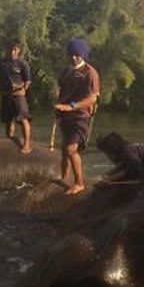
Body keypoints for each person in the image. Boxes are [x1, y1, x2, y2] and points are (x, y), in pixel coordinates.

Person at [55, 38, 100, 194]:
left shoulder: (90, 73)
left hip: (81, 117)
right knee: (63, 150)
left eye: (77, 55)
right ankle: (64, 177)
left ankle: (79, 183)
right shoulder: (67, 71)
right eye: (71, 55)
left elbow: (93, 98)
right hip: (65, 116)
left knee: (71, 149)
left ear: (83, 55)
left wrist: (72, 106)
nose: (74, 58)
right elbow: (61, 90)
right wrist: (59, 107)